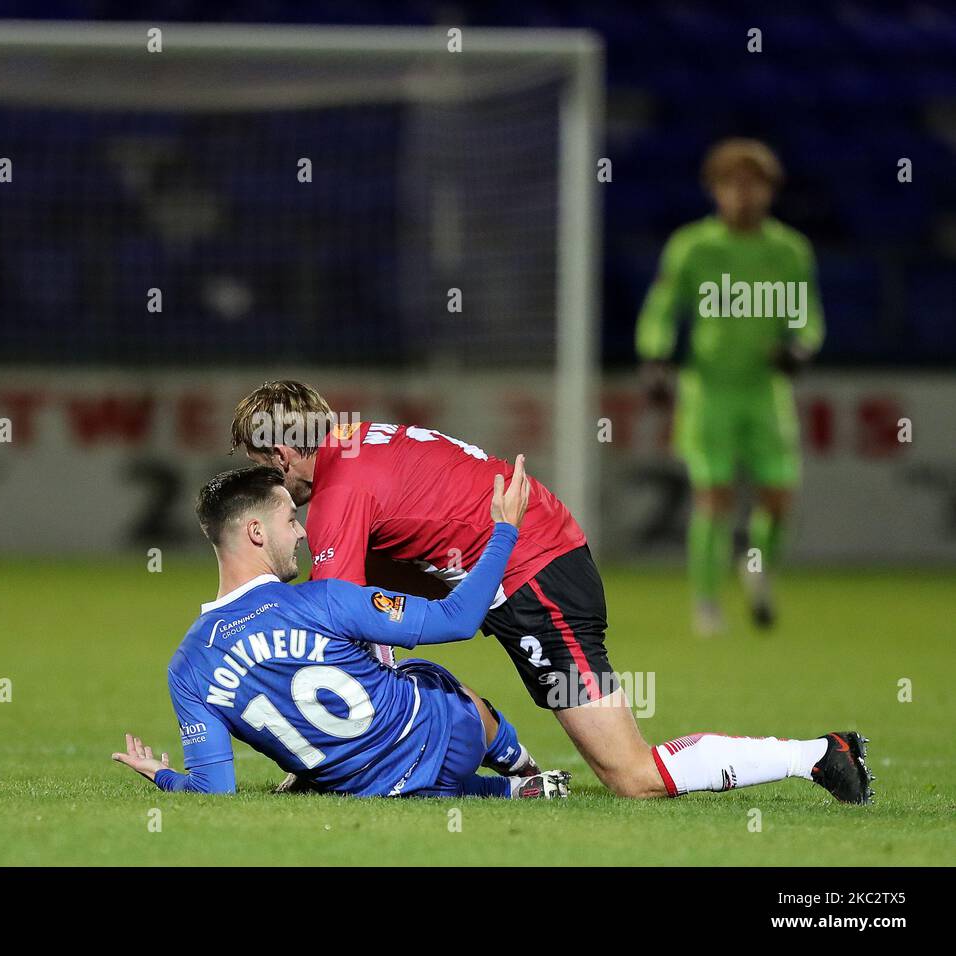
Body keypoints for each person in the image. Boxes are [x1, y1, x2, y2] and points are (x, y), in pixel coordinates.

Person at [227, 380, 873, 803]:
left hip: (538, 578)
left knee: (632, 776)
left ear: (283, 451)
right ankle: (474, 756)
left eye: (262, 470)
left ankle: (819, 754)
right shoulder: (356, 446)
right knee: (361, 604)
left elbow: (341, 616)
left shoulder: (343, 487)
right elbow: (366, 603)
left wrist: (323, 753)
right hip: (531, 568)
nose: (268, 488)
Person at [112, 459, 570, 799]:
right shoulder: (324, 598)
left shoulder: (188, 665)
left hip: (369, 790)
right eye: (290, 519)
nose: (302, 534)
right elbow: (459, 618)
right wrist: (505, 531)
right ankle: (520, 767)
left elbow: (214, 791)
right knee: (424, 675)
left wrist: (164, 775)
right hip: (451, 740)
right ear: (256, 531)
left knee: (345, 768)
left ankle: (497, 792)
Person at [635, 138, 825, 636]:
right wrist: (655, 354)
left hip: (765, 392)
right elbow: (662, 307)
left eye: (753, 184)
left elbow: (807, 317)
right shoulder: (693, 247)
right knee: (714, 497)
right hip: (708, 392)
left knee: (780, 497)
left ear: (769, 191)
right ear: (715, 190)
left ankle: (758, 575)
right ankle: (707, 604)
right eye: (732, 184)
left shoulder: (788, 250)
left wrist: (801, 347)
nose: (743, 194)